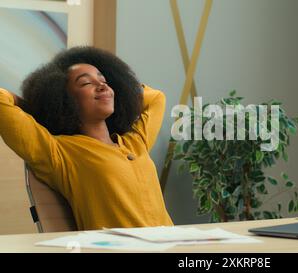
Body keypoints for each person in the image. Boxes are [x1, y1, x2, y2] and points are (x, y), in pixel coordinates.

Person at [0, 46, 173, 230]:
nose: (102, 86)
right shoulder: (58, 153)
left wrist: (123, 92)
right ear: (65, 99)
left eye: (104, 80)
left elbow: (156, 99)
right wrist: (36, 107)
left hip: (173, 244)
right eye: (85, 83)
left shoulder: (136, 142)